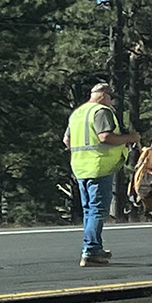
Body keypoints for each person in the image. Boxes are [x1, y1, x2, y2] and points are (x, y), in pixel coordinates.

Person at [63, 82, 140, 266]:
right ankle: (90, 250)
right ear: (104, 95)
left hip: (81, 167)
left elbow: (66, 140)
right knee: (97, 210)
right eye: (111, 98)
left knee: (89, 210)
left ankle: (94, 247)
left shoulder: (78, 113)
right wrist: (131, 138)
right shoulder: (101, 111)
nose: (112, 103)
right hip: (99, 167)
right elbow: (105, 137)